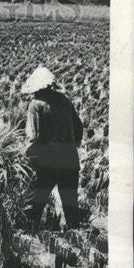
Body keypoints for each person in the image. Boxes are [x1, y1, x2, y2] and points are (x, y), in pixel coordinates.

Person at [21, 66, 83, 229]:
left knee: (33, 210)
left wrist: (24, 162)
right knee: (71, 209)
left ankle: (28, 242)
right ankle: (74, 242)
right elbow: (79, 129)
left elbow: (34, 138)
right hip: (69, 160)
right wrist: (69, 146)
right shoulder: (64, 100)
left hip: (47, 163)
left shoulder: (35, 104)